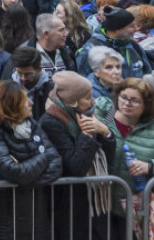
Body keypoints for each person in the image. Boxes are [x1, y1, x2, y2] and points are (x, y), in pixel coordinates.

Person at [39, 71, 120, 240]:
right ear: (72, 101)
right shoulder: (50, 122)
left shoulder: (87, 114)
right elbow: (75, 167)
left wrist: (106, 133)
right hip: (70, 203)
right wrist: (87, 134)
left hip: (97, 197)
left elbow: (108, 157)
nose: (93, 101)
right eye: (87, 97)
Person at [0, 80, 63, 240]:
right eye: (25, 100)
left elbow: (56, 164)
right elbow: (13, 171)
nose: (31, 103)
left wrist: (25, 179)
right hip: (6, 221)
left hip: (37, 215)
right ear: (11, 104)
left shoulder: (33, 125)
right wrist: (43, 158)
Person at [94, 77, 154, 230]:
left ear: (147, 104)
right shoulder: (105, 116)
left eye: (134, 100)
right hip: (102, 204)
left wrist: (152, 166)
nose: (127, 103)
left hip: (138, 206)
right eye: (123, 97)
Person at [78, 6, 154, 79]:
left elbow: (147, 74)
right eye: (131, 26)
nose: (136, 29)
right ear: (118, 29)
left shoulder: (134, 46)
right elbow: (86, 83)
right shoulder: (90, 50)